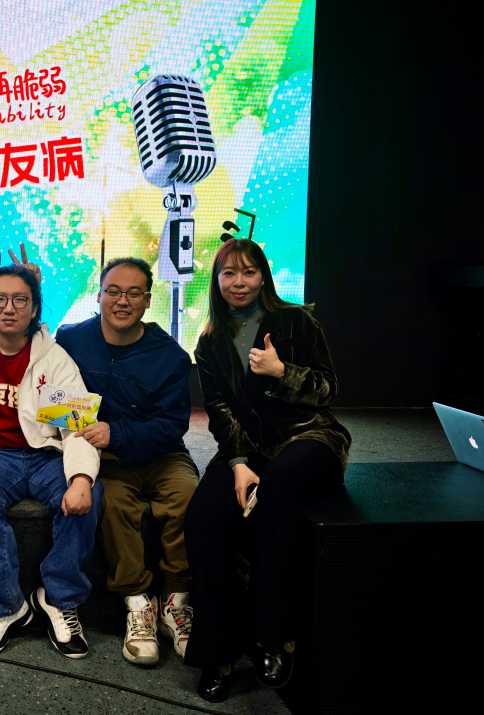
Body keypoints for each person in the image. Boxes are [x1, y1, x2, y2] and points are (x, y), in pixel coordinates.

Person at [185, 239, 350, 703]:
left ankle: (275, 635)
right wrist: (238, 463)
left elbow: (328, 389)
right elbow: (219, 411)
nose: (239, 283)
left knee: (278, 486)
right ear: (217, 281)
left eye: (249, 272)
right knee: (202, 516)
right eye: (229, 274)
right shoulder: (209, 340)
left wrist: (282, 372)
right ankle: (218, 650)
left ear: (264, 277)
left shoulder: (297, 320)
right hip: (249, 447)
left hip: (309, 436)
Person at [56, 257, 198, 667]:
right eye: (114, 291)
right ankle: (138, 604)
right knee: (113, 504)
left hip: (163, 454)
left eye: (134, 293)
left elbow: (173, 424)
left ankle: (176, 601)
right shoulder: (70, 338)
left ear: (148, 300)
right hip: (108, 458)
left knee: (189, 496)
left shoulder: (170, 355)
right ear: (99, 295)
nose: (123, 301)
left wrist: (117, 432)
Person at [0, 264, 102, 660]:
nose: (9, 308)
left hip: (45, 454)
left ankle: (58, 598)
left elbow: (77, 428)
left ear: (35, 307)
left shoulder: (53, 359)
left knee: (90, 493)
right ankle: (5, 607)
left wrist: (80, 478)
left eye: (20, 300)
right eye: (0, 299)